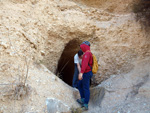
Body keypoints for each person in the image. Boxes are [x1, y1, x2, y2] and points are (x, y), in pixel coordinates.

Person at [77, 41, 93, 110]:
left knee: (86, 88)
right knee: (80, 84)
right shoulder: (88, 53)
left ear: (84, 46)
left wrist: (81, 73)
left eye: (81, 47)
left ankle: (86, 104)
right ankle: (83, 99)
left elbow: (85, 64)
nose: (81, 49)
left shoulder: (87, 53)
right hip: (86, 72)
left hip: (86, 73)